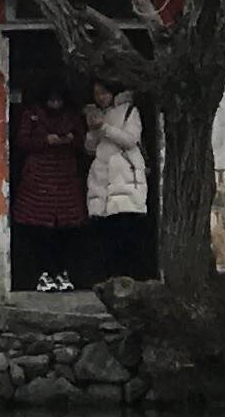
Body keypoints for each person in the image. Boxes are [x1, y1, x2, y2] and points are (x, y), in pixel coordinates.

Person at [10, 83, 89, 292]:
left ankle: (62, 272)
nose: (55, 104)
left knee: (66, 229)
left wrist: (70, 140)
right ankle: (43, 273)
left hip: (65, 179)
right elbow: (22, 141)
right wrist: (45, 140)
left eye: (58, 100)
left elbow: (83, 142)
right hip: (38, 180)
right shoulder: (31, 115)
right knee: (38, 229)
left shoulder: (72, 116)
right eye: (51, 100)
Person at [81, 80, 151, 288]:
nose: (100, 97)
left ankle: (130, 280)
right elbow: (90, 148)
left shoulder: (129, 111)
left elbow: (130, 140)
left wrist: (104, 127)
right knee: (106, 233)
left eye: (104, 92)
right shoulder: (97, 114)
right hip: (102, 179)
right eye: (96, 93)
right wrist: (93, 129)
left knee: (127, 230)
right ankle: (109, 281)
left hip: (125, 178)